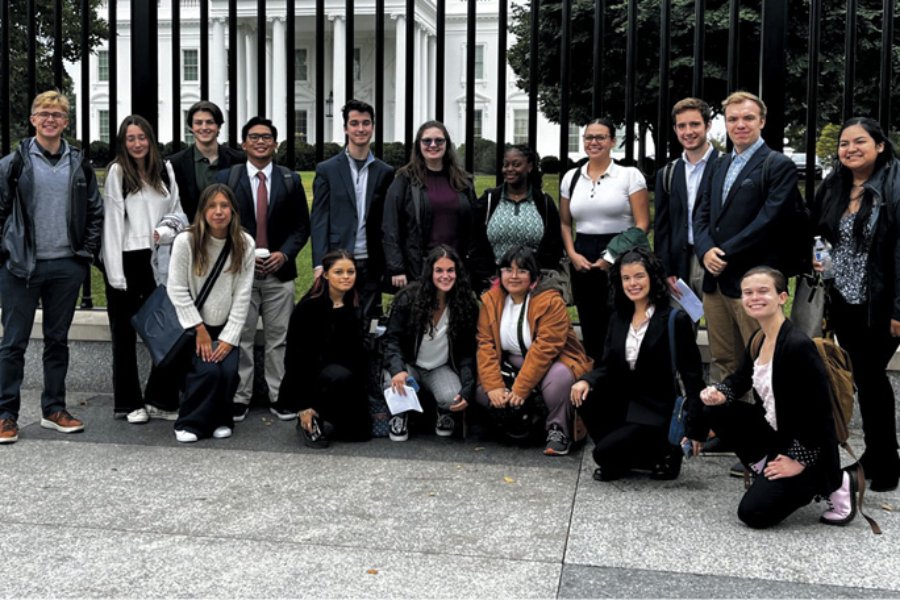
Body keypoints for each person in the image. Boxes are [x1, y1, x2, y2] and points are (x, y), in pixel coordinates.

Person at [696, 267, 855, 529]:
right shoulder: (759, 338)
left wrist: (798, 459)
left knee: (752, 514)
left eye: (762, 291)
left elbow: (818, 411)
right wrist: (718, 394)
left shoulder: (796, 345)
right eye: (748, 292)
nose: (754, 297)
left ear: (782, 297)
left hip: (808, 445)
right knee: (714, 410)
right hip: (774, 433)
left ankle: (834, 481)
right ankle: (766, 467)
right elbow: (740, 380)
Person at [0, 90, 103, 445]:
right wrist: (6, 255)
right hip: (21, 267)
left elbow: (94, 211)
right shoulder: (13, 163)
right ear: (32, 120)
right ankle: (5, 415)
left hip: (66, 265)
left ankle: (54, 409)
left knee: (57, 342)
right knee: (13, 343)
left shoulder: (78, 163)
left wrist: (84, 254)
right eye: (43, 113)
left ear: (66, 122)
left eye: (57, 115)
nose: (50, 119)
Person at [810, 117, 900, 492]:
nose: (850, 149)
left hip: (879, 302)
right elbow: (820, 232)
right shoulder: (834, 185)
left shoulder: (894, 187)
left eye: (859, 142)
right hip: (844, 299)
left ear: (879, 145)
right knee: (866, 377)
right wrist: (816, 257)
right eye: (844, 144)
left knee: (872, 375)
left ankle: (885, 462)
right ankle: (881, 457)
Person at [693, 91, 804, 386]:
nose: (740, 124)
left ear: (762, 121)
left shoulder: (778, 165)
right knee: (723, 359)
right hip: (715, 281)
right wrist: (705, 251)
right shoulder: (718, 164)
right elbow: (701, 213)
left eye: (748, 118)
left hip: (752, 281)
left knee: (759, 359)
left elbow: (769, 220)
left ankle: (763, 428)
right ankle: (728, 425)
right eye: (733, 119)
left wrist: (723, 253)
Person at [571, 248, 705, 481]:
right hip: (624, 403)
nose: (633, 283)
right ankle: (629, 457)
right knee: (583, 395)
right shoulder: (618, 317)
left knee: (601, 454)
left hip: (656, 410)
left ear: (652, 277)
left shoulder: (674, 319)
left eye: (639, 276)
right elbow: (607, 365)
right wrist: (585, 380)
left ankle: (663, 454)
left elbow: (693, 377)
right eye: (626, 278)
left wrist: (696, 430)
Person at [217, 116, 310, 422]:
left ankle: (279, 395)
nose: (260, 142)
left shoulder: (289, 180)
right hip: (241, 273)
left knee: (278, 338)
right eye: (254, 137)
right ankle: (239, 396)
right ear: (244, 144)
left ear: (276, 144)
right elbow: (219, 223)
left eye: (266, 137)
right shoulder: (229, 179)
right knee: (240, 336)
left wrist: (285, 254)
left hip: (279, 274)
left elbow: (301, 227)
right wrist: (242, 253)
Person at [101, 115, 183, 424]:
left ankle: (160, 399)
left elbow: (177, 212)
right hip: (126, 259)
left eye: (141, 137)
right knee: (123, 336)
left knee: (167, 332)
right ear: (123, 143)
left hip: (159, 259)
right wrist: (115, 273)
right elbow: (111, 224)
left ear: (150, 138)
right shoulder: (118, 172)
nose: (137, 144)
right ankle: (128, 402)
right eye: (130, 139)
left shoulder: (165, 169)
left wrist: (165, 232)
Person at [475, 246, 592, 456]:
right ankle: (509, 424)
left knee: (560, 379)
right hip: (510, 362)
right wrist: (494, 386)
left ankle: (558, 429)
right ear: (499, 273)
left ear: (533, 275)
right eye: (507, 270)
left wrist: (521, 387)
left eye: (522, 270)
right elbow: (486, 345)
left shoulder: (551, 300)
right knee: (483, 391)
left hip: (553, 361)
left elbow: (545, 348)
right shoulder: (490, 301)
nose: (513, 276)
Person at [167, 184, 254, 442]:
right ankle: (190, 423)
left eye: (224, 206)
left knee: (227, 372)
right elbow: (177, 288)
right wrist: (199, 329)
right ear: (203, 211)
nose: (219, 212)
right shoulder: (187, 241)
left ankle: (220, 419)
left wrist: (229, 336)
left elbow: (243, 295)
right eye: (212, 206)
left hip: (226, 324)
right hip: (194, 325)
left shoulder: (244, 243)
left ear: (233, 211)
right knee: (208, 371)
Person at [559, 118, 650, 361]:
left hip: (622, 254)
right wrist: (573, 254)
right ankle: (596, 382)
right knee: (590, 323)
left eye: (600, 137)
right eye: (589, 137)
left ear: (612, 141)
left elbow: (642, 224)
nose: (593, 142)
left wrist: (610, 257)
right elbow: (566, 223)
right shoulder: (571, 177)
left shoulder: (629, 175)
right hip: (583, 256)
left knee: (621, 319)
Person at [382, 245, 479, 442]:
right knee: (394, 382)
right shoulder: (408, 298)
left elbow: (467, 351)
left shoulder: (465, 304)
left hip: (438, 367)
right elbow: (391, 339)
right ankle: (399, 415)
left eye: (450, 270)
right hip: (409, 364)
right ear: (430, 273)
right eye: (439, 270)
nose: (446, 276)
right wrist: (398, 369)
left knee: (452, 396)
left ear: (457, 272)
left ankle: (443, 412)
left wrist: (468, 387)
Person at [278, 250, 372, 448]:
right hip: (312, 378)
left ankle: (335, 414)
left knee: (359, 434)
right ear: (326, 274)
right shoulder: (308, 308)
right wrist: (303, 404)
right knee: (336, 376)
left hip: (348, 379)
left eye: (350, 272)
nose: (346, 277)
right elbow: (295, 359)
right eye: (339, 272)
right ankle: (309, 415)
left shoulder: (355, 303)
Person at [310, 99, 395, 318]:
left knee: (369, 321)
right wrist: (319, 264)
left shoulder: (385, 172)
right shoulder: (327, 170)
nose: (360, 129)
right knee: (336, 320)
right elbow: (319, 219)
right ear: (346, 128)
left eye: (366, 123)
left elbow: (389, 220)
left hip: (371, 259)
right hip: (338, 259)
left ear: (373, 127)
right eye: (354, 123)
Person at [382, 120, 486, 291]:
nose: (433, 145)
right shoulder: (405, 180)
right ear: (419, 145)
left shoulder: (463, 181)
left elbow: (474, 227)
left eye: (439, 141)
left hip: (456, 268)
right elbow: (390, 226)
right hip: (419, 267)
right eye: (427, 141)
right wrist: (396, 268)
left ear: (446, 144)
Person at [653, 98, 719, 300]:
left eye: (695, 124)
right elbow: (662, 227)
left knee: (720, 327)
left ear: (707, 125)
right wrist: (666, 269)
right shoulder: (668, 174)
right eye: (682, 126)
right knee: (680, 327)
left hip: (713, 260)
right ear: (675, 129)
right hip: (679, 262)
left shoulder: (725, 166)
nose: (688, 131)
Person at [477, 144, 563, 272]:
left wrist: (535, 275)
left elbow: (554, 246)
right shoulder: (489, 200)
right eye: (506, 165)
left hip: (534, 281)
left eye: (516, 165)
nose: (509, 169)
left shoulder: (544, 202)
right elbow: (476, 242)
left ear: (529, 167)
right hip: (493, 280)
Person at [168, 100, 246, 222]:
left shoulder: (238, 160)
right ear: (191, 127)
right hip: (191, 233)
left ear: (218, 126)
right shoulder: (174, 164)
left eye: (209, 122)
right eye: (198, 123)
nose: (204, 127)